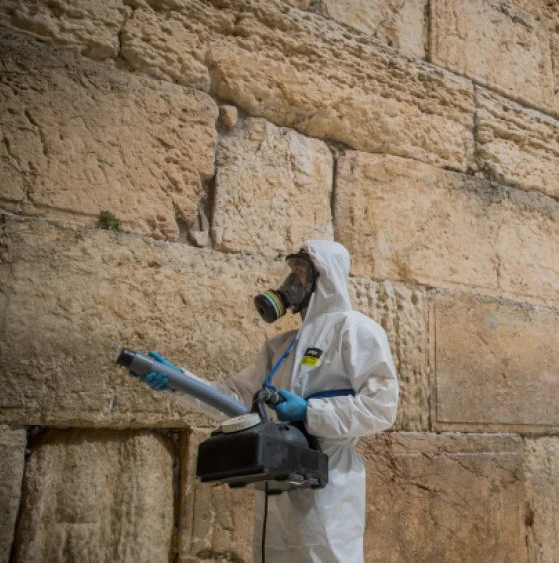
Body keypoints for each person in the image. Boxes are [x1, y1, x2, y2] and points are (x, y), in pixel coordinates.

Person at [132, 240, 399, 563]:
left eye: (301, 273)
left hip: (327, 482)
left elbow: (381, 407)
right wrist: (179, 381)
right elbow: (234, 397)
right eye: (292, 271)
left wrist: (309, 412)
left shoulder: (355, 330)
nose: (291, 282)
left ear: (324, 277)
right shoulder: (281, 346)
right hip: (277, 474)